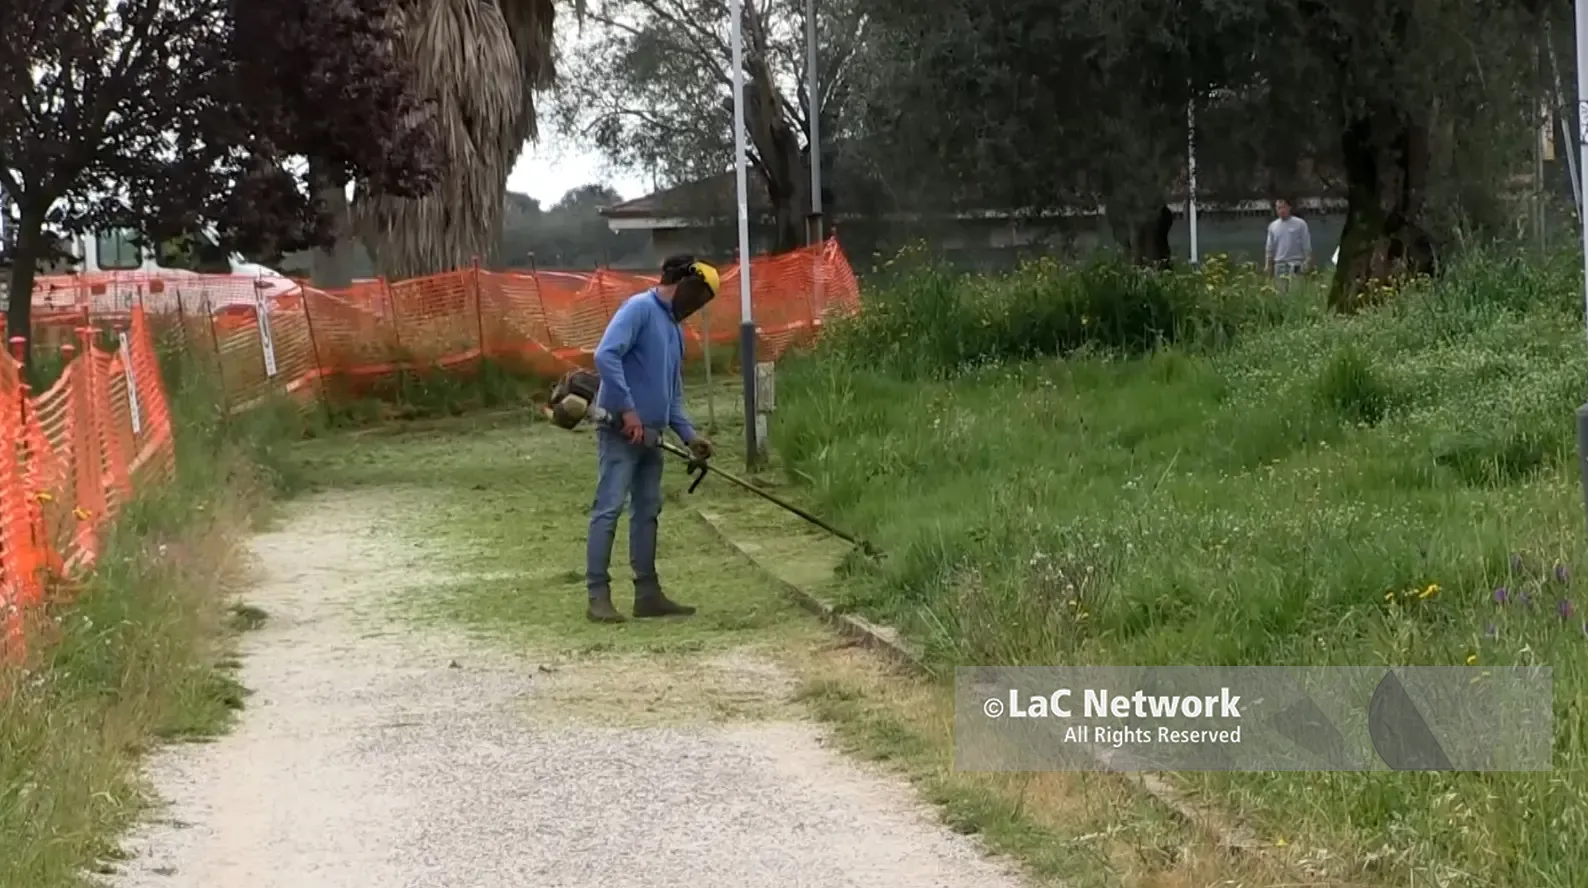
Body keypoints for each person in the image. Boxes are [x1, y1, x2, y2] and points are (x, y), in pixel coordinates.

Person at [584, 254, 718, 623]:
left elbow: (671, 395)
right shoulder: (639, 309)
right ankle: (598, 595)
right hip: (620, 432)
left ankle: (647, 594)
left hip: (651, 438)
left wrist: (690, 437)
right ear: (685, 285)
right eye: (700, 296)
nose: (698, 306)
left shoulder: (674, 330)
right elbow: (605, 356)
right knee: (608, 508)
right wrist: (628, 411)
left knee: (647, 512)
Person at [1263, 199, 1313, 294]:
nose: (1282, 210)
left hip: (1296, 264)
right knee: (1281, 294)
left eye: (1284, 207)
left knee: (1296, 294)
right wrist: (1268, 265)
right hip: (1280, 265)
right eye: (1279, 208)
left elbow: (1306, 244)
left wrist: (1308, 261)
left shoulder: (1300, 224)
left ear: (1289, 208)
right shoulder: (1273, 226)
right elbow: (1269, 248)